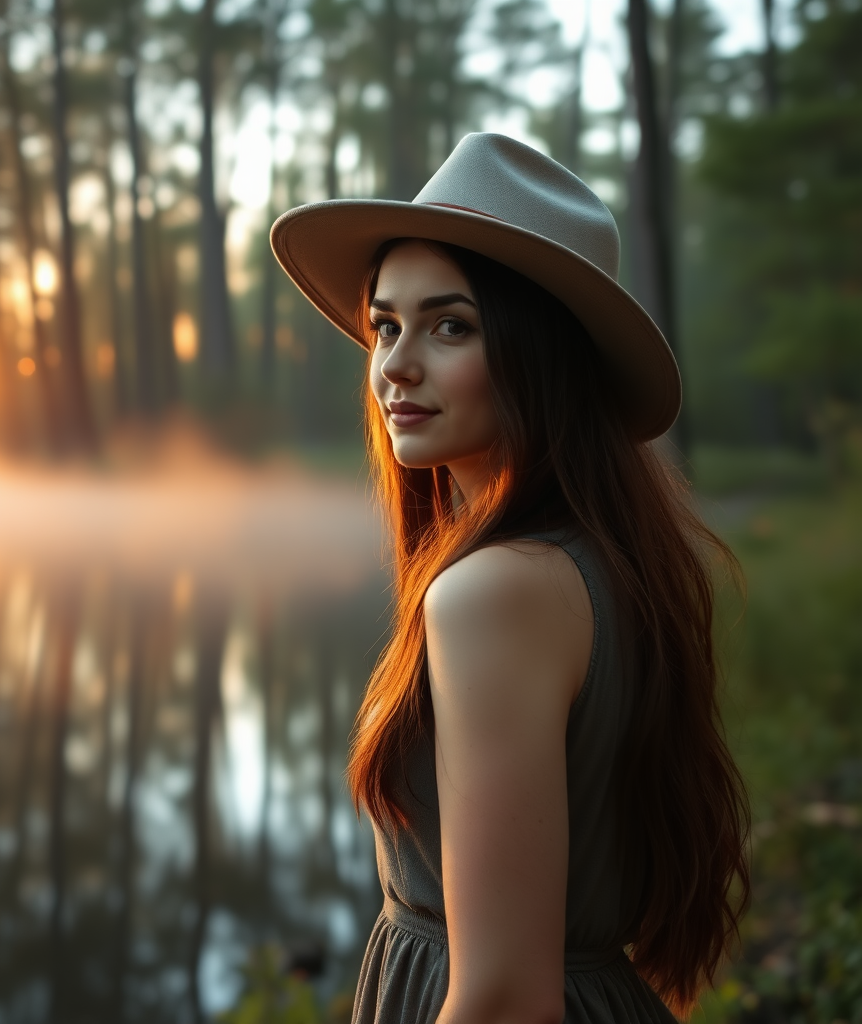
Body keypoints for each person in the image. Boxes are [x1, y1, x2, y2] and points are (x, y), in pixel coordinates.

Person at [270, 133, 751, 1024]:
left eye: (451, 325)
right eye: (386, 324)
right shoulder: (605, 561)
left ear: (542, 355)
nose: (395, 365)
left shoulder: (494, 594)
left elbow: (501, 999)